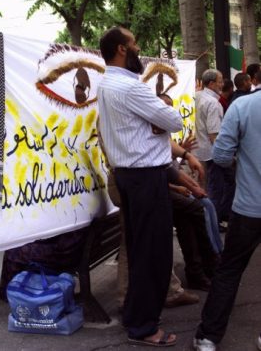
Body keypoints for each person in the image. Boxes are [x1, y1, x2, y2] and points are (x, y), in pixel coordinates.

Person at [97, 26, 182, 347]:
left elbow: (160, 122)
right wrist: (159, 123)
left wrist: (154, 123)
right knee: (152, 254)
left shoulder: (109, 84)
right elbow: (174, 121)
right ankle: (145, 327)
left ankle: (137, 316)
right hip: (145, 178)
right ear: (121, 49)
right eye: (134, 44)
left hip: (131, 177)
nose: (139, 48)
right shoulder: (132, 88)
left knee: (139, 250)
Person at [193, 87, 261, 351]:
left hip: (249, 207)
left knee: (230, 270)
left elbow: (220, 155)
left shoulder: (243, 106)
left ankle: (208, 337)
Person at [194, 69, 235, 227]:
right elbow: (214, 135)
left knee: (216, 185)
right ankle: (214, 220)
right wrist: (225, 155)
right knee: (216, 187)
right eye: (220, 81)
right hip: (212, 152)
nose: (222, 84)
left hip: (199, 150)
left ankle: (217, 216)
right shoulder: (213, 103)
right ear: (211, 84)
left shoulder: (197, 96)